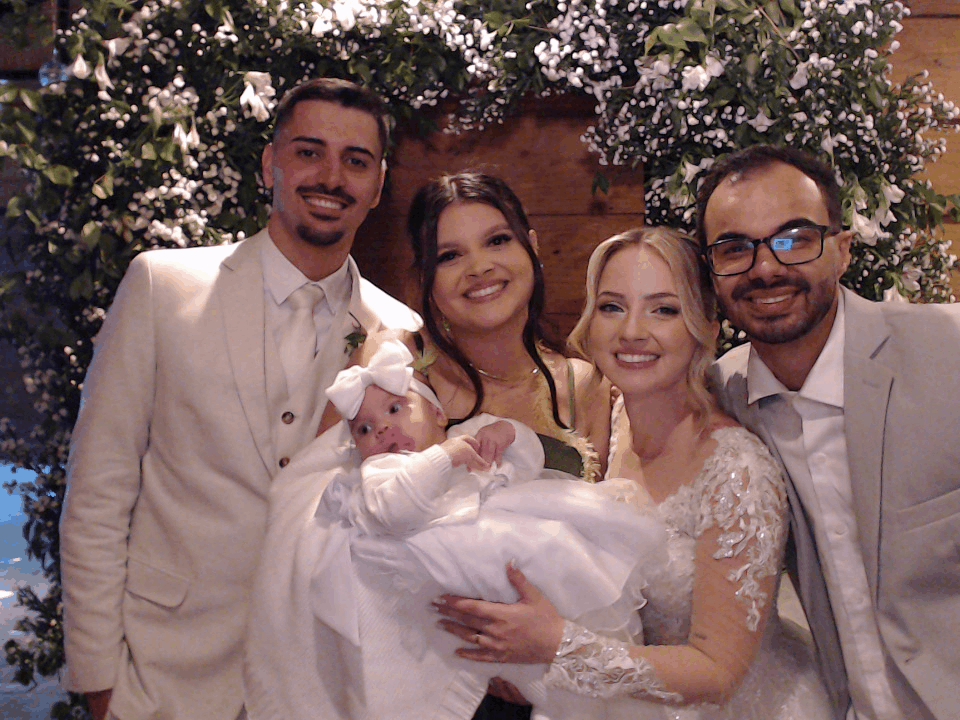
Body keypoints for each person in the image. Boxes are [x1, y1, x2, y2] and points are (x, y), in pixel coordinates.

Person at [59, 77, 420, 720]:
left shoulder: (399, 332)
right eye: (308, 152)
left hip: (320, 683)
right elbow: (97, 492)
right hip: (161, 677)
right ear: (270, 163)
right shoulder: (162, 286)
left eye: (356, 161)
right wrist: (98, 679)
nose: (330, 176)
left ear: (377, 185)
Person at [432, 227, 834, 719]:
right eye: (612, 307)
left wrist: (556, 646)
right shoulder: (616, 421)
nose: (632, 331)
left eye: (663, 309)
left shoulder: (737, 472)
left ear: (706, 329)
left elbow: (718, 674)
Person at [245, 337, 664, 720]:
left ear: (439, 414)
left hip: (514, 541)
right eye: (364, 429)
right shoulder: (384, 470)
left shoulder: (468, 434)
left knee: (565, 559)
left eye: (395, 409)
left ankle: (580, 668)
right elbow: (393, 510)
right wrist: (441, 459)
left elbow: (525, 461)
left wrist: (506, 434)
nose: (382, 429)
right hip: (462, 563)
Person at [699, 144, 960, 720]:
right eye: (735, 248)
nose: (765, 268)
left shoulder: (949, 355)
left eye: (794, 238)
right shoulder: (722, 398)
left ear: (841, 251)